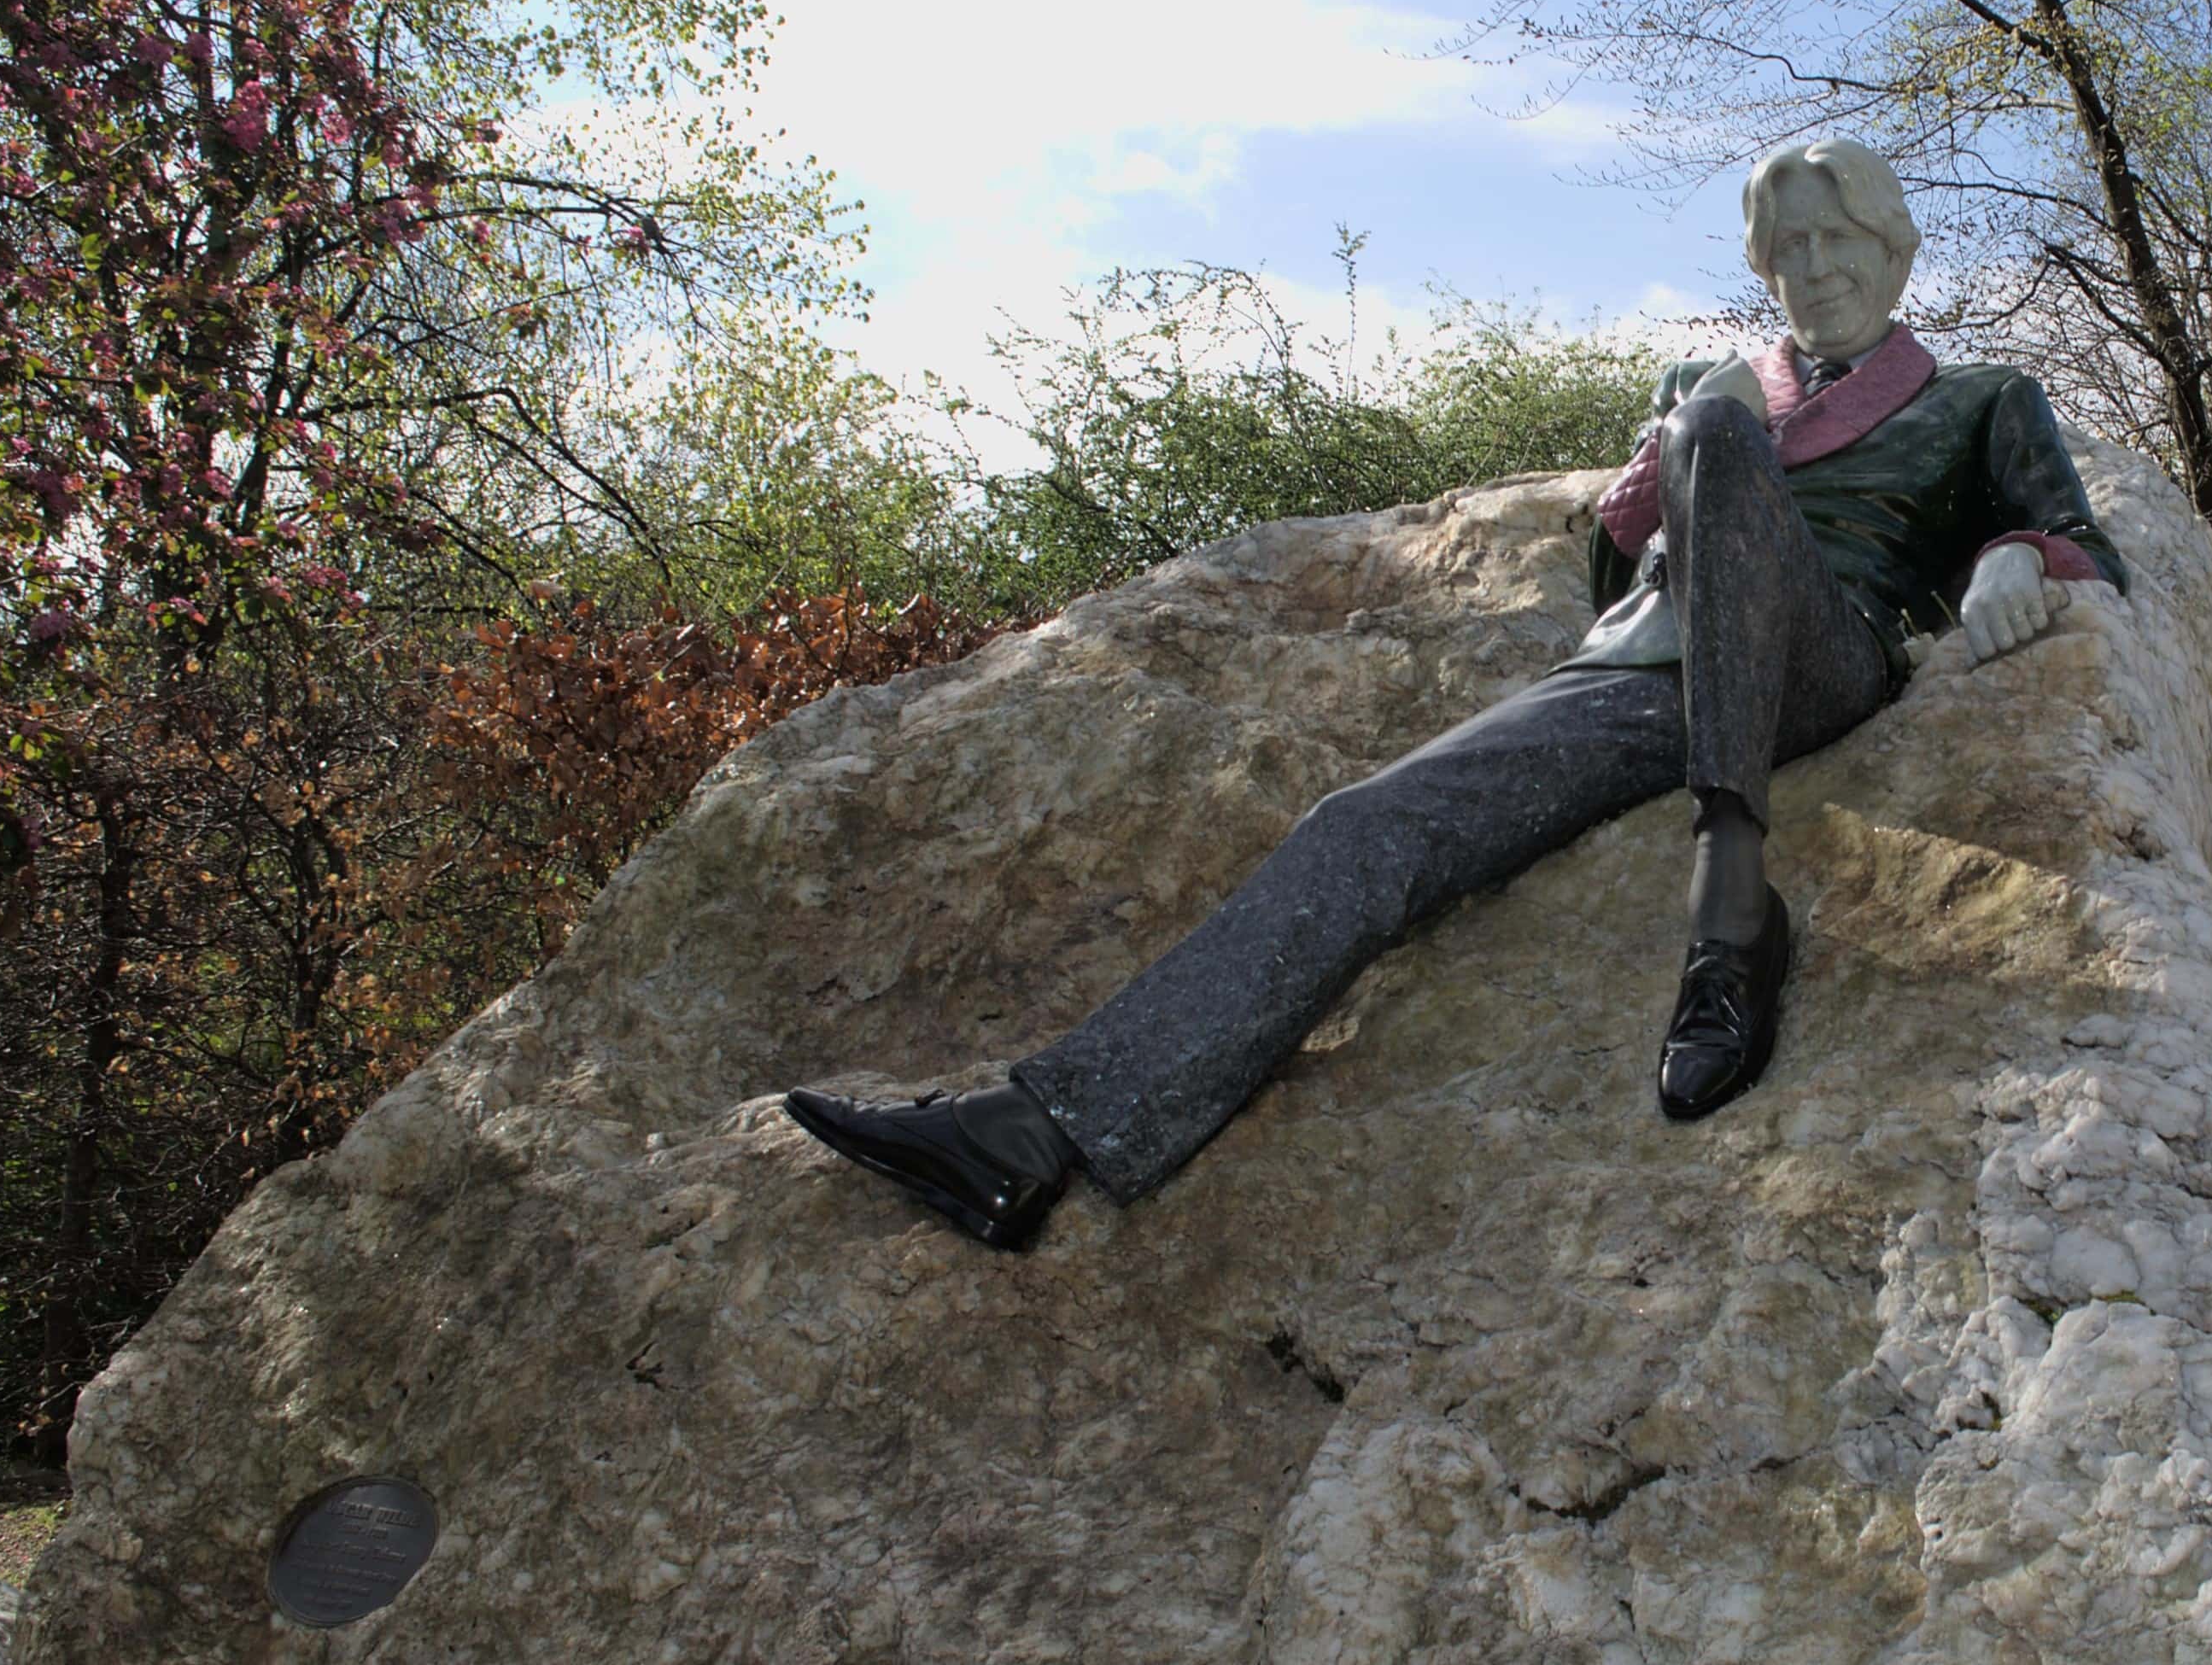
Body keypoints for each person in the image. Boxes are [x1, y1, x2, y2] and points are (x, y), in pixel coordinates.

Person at [784, 140, 2127, 1251]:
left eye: (1845, 246)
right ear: (1766, 268)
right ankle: (1034, 1135)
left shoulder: (1981, 399)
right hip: (1639, 670)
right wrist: (1678, 446)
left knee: (1716, 429)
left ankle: (1732, 911)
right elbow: (1616, 560)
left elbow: (2084, 541)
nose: (1820, 272)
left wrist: (2015, 553)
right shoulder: (1712, 389)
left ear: (1896, 258)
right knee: (1363, 823)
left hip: (1821, 659)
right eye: (1793, 251)